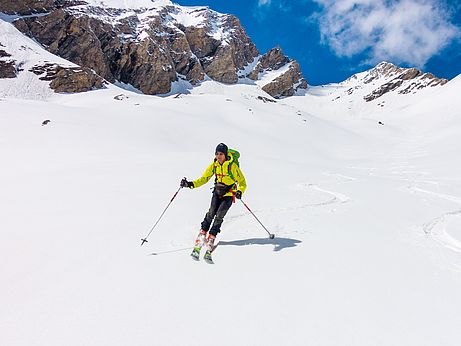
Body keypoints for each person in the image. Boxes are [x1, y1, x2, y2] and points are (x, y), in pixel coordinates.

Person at [180, 143, 247, 262]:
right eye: (216, 154)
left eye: (221, 154)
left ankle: (211, 237)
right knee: (211, 212)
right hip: (217, 192)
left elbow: (242, 182)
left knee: (219, 215)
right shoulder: (214, 165)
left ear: (225, 155)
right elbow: (204, 179)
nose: (218, 156)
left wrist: (239, 191)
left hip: (228, 195)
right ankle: (202, 233)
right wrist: (190, 184)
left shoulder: (233, 167)